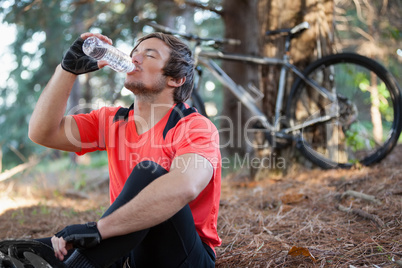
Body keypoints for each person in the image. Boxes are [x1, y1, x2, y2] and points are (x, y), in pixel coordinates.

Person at [28, 31, 222, 267]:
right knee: (31, 252)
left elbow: (186, 185)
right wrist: (67, 70)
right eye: (134, 53)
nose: (135, 59)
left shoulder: (195, 127)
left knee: (149, 173)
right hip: (127, 250)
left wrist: (98, 230)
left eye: (149, 55)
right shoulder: (112, 121)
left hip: (183, 257)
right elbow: (42, 132)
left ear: (176, 78)